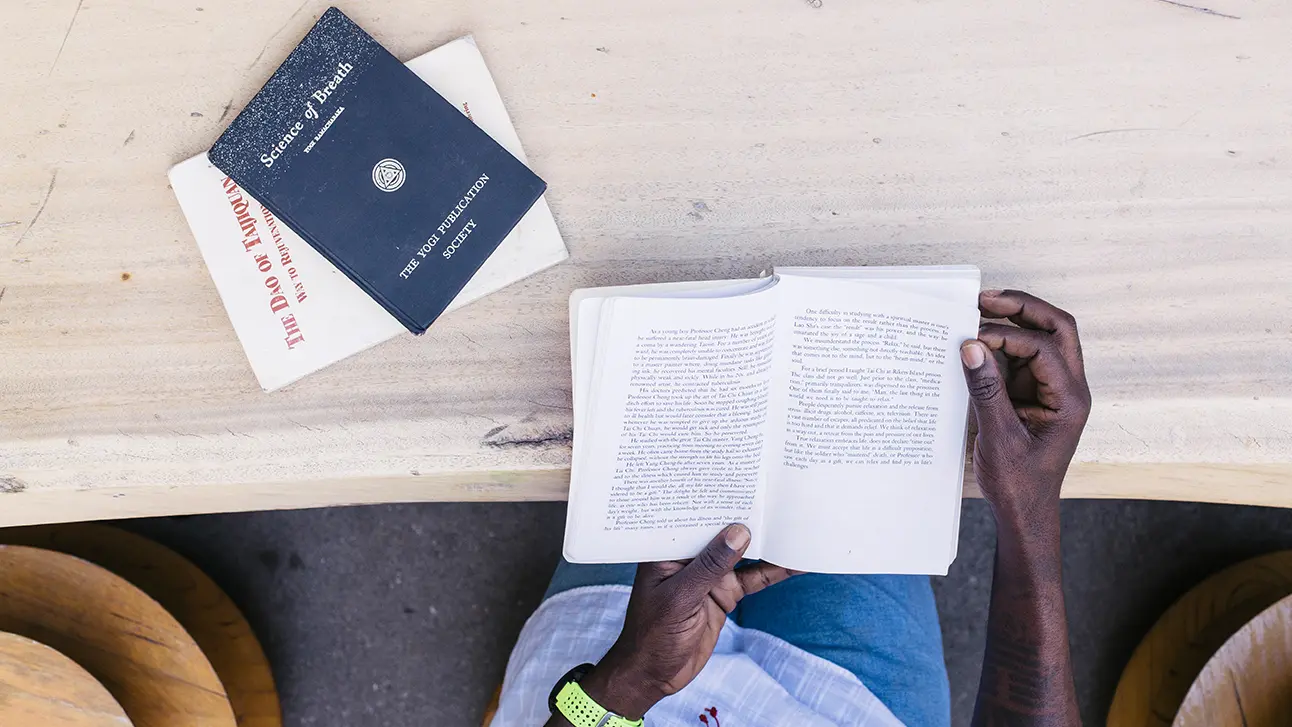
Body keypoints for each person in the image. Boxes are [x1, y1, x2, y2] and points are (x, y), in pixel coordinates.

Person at [491, 290, 1091, 727]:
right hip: (846, 706)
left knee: (661, 387)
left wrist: (629, 681)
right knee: (860, 391)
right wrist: (1030, 512)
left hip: (607, 676)